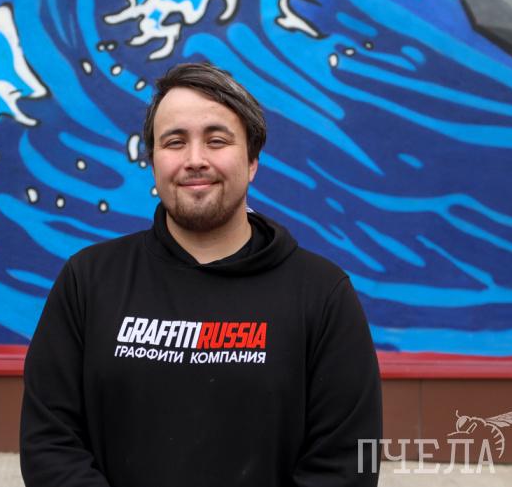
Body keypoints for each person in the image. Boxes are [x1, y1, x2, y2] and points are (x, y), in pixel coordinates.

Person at [20, 62, 382, 487]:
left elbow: (348, 463)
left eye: (216, 140)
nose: (195, 160)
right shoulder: (88, 281)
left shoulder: (322, 294)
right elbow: (50, 444)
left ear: (252, 161)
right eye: (175, 142)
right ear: (153, 162)